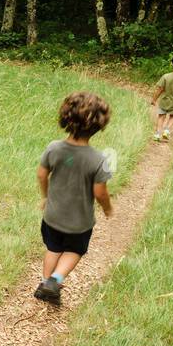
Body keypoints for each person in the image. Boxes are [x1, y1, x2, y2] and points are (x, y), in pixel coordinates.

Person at [35, 91, 114, 305]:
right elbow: (100, 192)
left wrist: (45, 196)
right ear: (99, 125)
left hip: (52, 216)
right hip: (79, 223)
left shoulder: (54, 148)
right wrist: (107, 208)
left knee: (53, 248)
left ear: (66, 118)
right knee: (74, 250)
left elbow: (41, 175)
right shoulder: (98, 160)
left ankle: (45, 283)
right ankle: (55, 280)